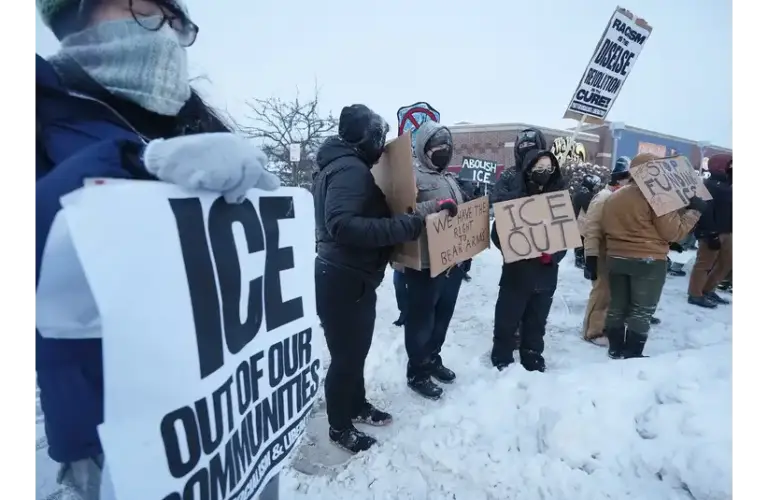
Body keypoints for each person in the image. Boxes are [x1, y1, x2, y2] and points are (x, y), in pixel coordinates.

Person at [33, 1, 281, 498]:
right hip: (113, 431)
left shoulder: (191, 117)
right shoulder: (43, 112)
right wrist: (134, 164)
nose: (167, 34)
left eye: (177, 24)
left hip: (230, 412)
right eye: (147, 13)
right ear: (76, 14)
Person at [312, 104, 424, 452]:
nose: (382, 143)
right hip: (344, 278)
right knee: (346, 357)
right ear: (366, 137)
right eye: (379, 136)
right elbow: (342, 225)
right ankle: (339, 427)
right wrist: (403, 227)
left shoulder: (346, 165)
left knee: (354, 353)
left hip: (350, 276)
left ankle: (355, 405)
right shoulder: (349, 169)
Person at [600, 153, 707, 359]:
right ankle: (632, 353)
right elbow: (673, 232)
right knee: (642, 309)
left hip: (616, 258)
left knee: (617, 306)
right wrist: (694, 211)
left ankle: (615, 349)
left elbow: (605, 227)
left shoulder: (615, 196)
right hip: (648, 260)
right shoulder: (658, 196)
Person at [490, 148, 566, 372]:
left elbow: (565, 238)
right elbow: (497, 234)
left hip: (545, 275)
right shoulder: (515, 198)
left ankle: (532, 354)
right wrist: (515, 247)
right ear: (529, 170)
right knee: (507, 319)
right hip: (517, 273)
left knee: (537, 321)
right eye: (539, 168)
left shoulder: (559, 201)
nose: (545, 172)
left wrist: (553, 254)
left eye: (549, 168)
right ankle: (502, 356)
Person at [404, 121, 465, 400]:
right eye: (437, 146)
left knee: (443, 316)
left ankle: (433, 358)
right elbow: (403, 213)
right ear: (424, 148)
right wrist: (435, 207)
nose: (443, 151)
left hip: (451, 262)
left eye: (447, 147)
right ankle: (417, 371)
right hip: (425, 263)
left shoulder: (450, 178)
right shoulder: (412, 176)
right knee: (421, 321)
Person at [581, 157, 630, 345]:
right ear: (620, 179)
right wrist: (591, 256)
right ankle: (592, 331)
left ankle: (603, 326)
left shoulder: (618, 197)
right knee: (601, 292)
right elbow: (591, 228)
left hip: (614, 252)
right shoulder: (604, 197)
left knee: (611, 293)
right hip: (602, 253)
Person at [687, 153, 736, 308]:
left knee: (727, 262)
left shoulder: (727, 184)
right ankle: (695, 294)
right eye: (730, 164)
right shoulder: (707, 185)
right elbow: (705, 212)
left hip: (727, 231)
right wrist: (709, 233)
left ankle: (708, 289)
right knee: (704, 263)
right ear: (720, 166)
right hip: (711, 231)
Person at [572, 173, 602, 269]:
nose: (596, 187)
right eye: (595, 185)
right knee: (582, 243)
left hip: (579, 221)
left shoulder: (581, 191)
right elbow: (589, 207)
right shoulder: (584, 194)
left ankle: (579, 259)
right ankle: (580, 260)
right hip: (581, 222)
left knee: (580, 242)